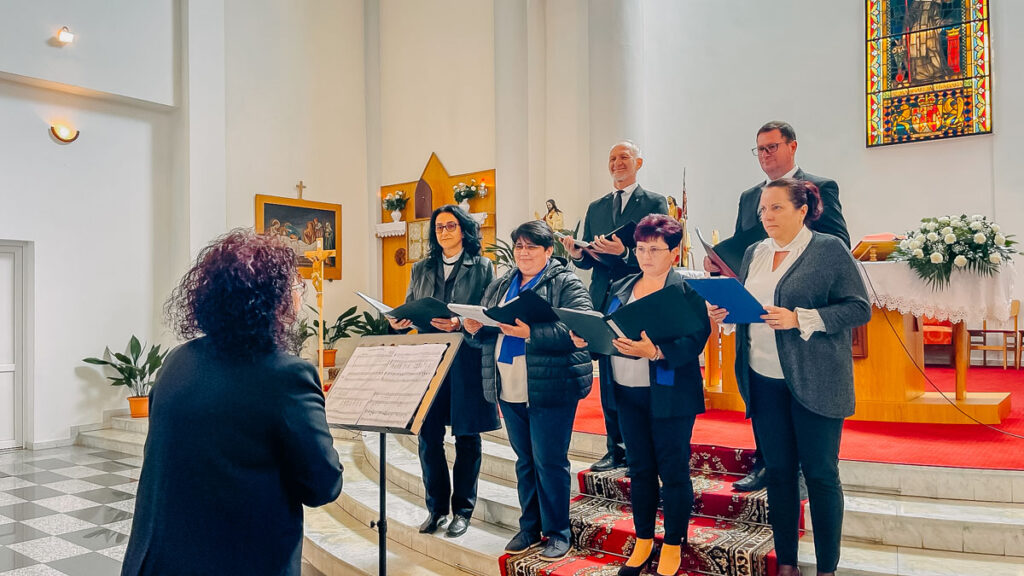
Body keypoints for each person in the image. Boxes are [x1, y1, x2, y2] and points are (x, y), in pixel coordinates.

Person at [122, 229, 343, 576]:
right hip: (238, 559)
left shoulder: (178, 360)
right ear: (275, 300)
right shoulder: (286, 376)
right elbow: (322, 486)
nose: (299, 295)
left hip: (160, 559)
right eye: (296, 286)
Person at [707, 179, 870, 576]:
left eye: (776, 208)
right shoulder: (755, 252)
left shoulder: (828, 249)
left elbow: (858, 308)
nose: (766, 216)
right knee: (779, 474)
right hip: (763, 380)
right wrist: (726, 315)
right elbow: (752, 309)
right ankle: (787, 564)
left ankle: (827, 568)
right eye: (763, 209)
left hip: (816, 380)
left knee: (820, 475)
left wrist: (801, 319)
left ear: (803, 210)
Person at [708, 120, 850, 492]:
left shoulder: (820, 186)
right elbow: (742, 250)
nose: (765, 155)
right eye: (760, 149)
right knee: (764, 394)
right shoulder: (748, 196)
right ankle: (766, 463)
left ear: (792, 146)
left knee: (802, 406)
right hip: (759, 310)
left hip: (801, 310)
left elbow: (838, 241)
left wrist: (789, 242)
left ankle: (802, 469)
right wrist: (721, 262)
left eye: (772, 146)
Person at [570, 214, 710, 576]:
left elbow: (696, 339)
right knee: (641, 470)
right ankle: (644, 539)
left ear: (674, 253)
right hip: (625, 391)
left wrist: (657, 352)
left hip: (669, 395)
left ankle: (674, 542)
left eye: (655, 249)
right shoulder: (622, 285)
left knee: (673, 471)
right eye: (641, 248)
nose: (646, 256)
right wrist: (587, 339)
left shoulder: (687, 290)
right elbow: (608, 329)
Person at [464, 220, 593, 561]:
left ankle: (558, 532)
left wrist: (531, 333)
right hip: (508, 382)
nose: (523, 252)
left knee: (549, 461)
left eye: (531, 246)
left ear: (549, 250)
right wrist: (474, 327)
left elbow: (580, 328)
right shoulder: (501, 283)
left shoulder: (566, 282)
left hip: (551, 384)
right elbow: (487, 331)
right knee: (525, 461)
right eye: (519, 246)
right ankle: (529, 526)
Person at [388, 205, 498, 538]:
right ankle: (436, 509)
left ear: (463, 230)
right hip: (429, 358)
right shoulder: (421, 267)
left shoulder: (482, 266)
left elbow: (488, 312)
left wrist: (459, 322)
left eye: (450, 226)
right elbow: (410, 303)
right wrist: (399, 322)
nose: (444, 232)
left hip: (465, 357)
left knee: (467, 436)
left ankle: (462, 510)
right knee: (428, 435)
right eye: (439, 227)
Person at [560, 140, 667, 473]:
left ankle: (643, 448)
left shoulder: (654, 202)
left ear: (638, 163)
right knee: (608, 377)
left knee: (638, 373)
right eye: (612, 159)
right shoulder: (596, 207)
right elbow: (591, 260)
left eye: (624, 157)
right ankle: (614, 448)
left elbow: (660, 249)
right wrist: (578, 254)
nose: (617, 163)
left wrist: (624, 252)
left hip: (639, 294)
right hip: (604, 297)